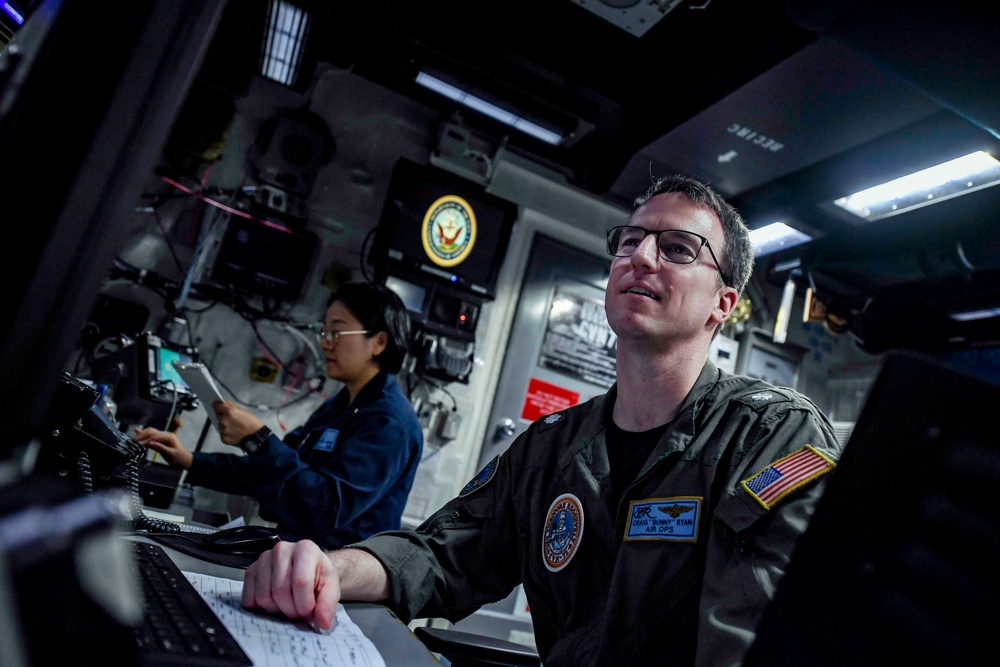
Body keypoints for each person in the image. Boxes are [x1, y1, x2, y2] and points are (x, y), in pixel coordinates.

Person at [238, 176, 844, 666]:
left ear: (723, 303)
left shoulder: (769, 436)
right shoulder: (549, 450)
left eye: (678, 249)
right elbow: (442, 556)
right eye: (630, 242)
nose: (642, 257)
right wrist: (327, 569)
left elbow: (759, 642)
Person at [134, 281, 423, 550]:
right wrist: (191, 461)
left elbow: (325, 508)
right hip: (298, 556)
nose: (325, 343)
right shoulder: (340, 405)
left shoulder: (389, 422)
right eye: (324, 332)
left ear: (379, 342)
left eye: (336, 332)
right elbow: (272, 470)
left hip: (338, 577)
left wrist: (259, 440)